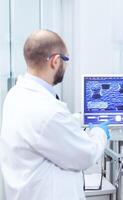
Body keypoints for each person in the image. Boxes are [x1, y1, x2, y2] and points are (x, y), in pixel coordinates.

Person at [0, 30, 110, 200]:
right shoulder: (48, 111)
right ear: (55, 61)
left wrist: (77, 118)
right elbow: (86, 155)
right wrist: (100, 133)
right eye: (65, 60)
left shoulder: (16, 94)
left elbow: (43, 132)